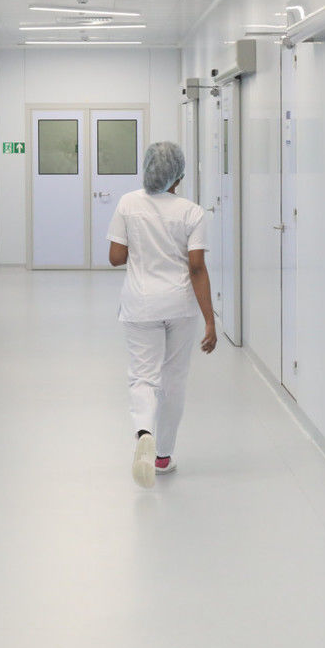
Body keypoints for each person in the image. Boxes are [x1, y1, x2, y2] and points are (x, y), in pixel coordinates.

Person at [107, 141, 217, 489]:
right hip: (180, 305)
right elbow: (196, 268)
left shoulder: (128, 203)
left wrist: (143, 246)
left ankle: (144, 432)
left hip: (140, 303)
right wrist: (210, 320)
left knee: (143, 376)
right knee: (174, 378)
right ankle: (163, 456)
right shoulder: (192, 212)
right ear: (179, 176)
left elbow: (115, 257)